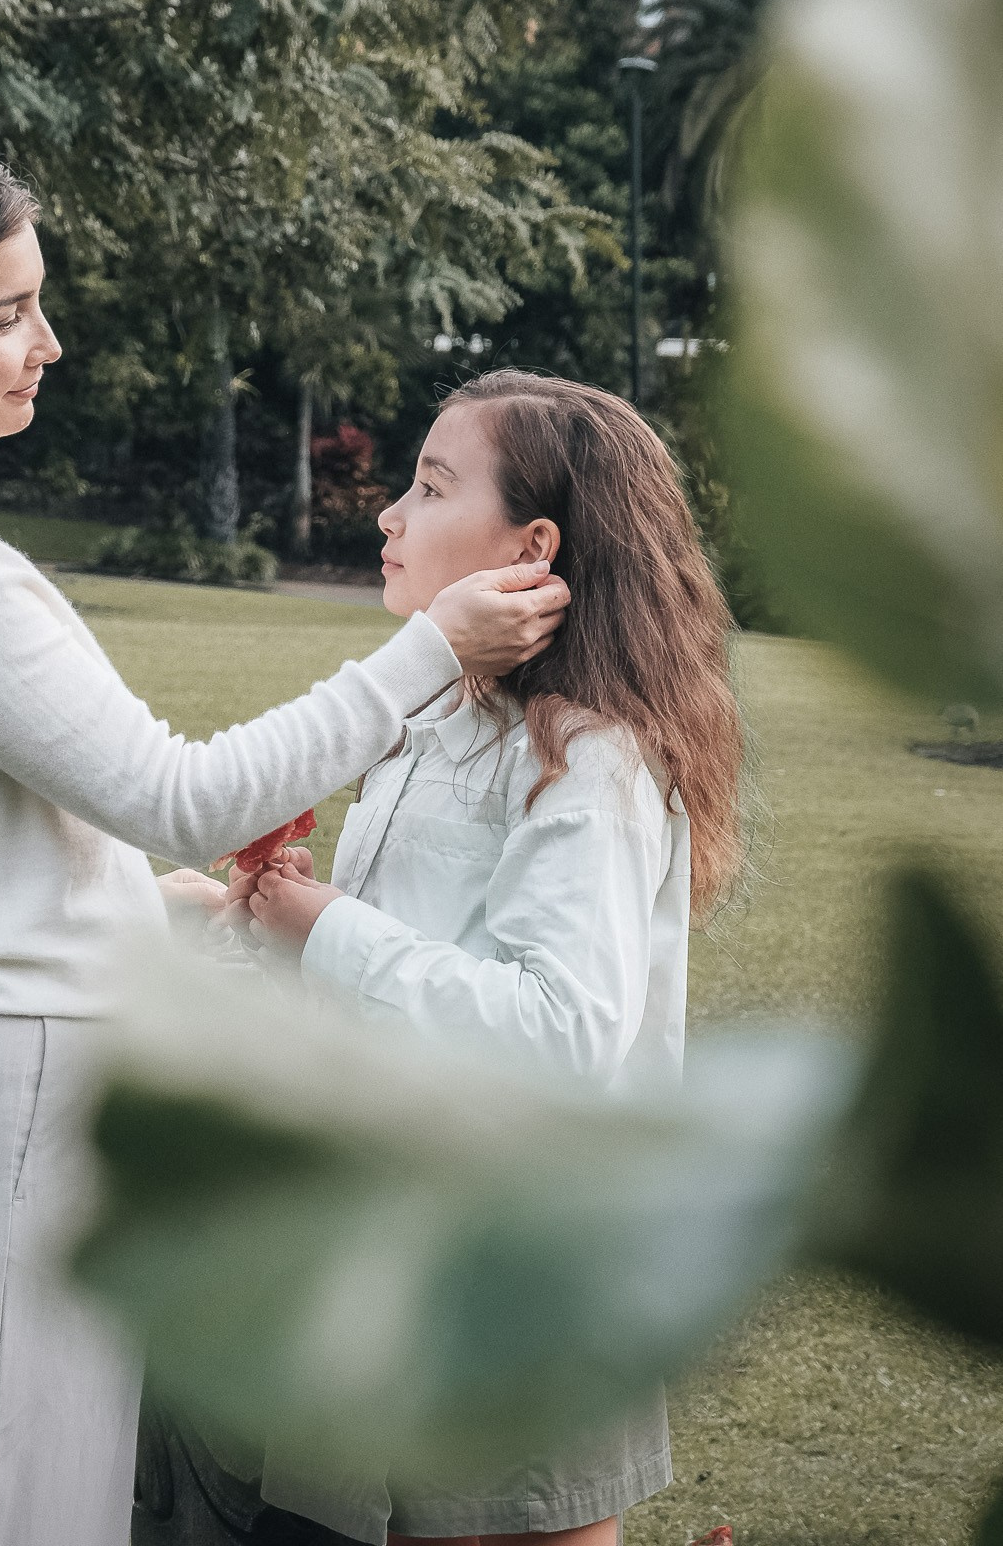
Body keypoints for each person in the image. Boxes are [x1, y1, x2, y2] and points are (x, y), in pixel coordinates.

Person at [0, 146, 570, 1546]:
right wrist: (430, 651)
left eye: (35, 303)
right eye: (3, 316)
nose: (46, 344)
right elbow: (179, 791)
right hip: (13, 1109)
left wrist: (125, 903)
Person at [231, 369, 744, 1546]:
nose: (387, 515)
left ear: (533, 544)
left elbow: (555, 1030)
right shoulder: (431, 717)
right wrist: (263, 927)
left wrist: (323, 926)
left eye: (428, 485)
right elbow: (392, 970)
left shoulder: (589, 754)